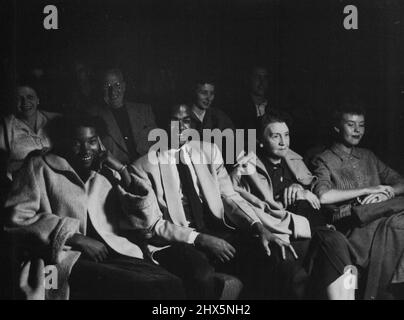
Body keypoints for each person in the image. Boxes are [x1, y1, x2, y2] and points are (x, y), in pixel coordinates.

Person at [128, 102, 310, 300]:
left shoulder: (209, 151)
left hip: (215, 229)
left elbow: (229, 196)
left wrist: (259, 227)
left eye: (186, 121)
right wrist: (200, 239)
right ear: (161, 124)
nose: (181, 127)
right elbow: (152, 226)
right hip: (176, 241)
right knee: (202, 275)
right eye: (175, 121)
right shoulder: (142, 167)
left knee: (274, 256)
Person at [3, 115, 184, 300]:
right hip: (62, 259)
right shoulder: (40, 166)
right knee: (147, 288)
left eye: (92, 141)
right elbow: (15, 219)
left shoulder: (105, 171)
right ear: (65, 142)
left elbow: (144, 220)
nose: (85, 149)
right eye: (76, 143)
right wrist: (76, 238)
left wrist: (121, 169)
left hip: (113, 253)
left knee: (171, 283)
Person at [231, 112, 356, 299]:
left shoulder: (294, 161)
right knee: (302, 274)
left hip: (310, 231)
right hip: (277, 235)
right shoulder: (248, 166)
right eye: (275, 136)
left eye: (286, 135)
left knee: (337, 243)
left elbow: (315, 194)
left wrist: (300, 189)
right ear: (260, 141)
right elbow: (234, 197)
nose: (284, 142)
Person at [312, 102, 404, 299]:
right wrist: (369, 189)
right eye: (351, 124)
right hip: (353, 223)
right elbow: (323, 196)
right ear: (337, 127)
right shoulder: (324, 159)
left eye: (361, 125)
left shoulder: (368, 156)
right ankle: (392, 288)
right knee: (400, 225)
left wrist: (386, 192)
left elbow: (401, 183)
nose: (357, 130)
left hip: (382, 214)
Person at [88, 68, 157, 164]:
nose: (113, 91)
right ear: (102, 89)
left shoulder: (144, 110)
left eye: (117, 85)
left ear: (124, 86)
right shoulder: (94, 116)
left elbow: (157, 145)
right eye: (107, 86)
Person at [0, 84, 60, 181]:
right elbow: (4, 168)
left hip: (55, 181)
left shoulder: (54, 120)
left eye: (30, 97)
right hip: (23, 184)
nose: (25, 102)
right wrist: (29, 159)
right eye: (19, 99)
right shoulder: (6, 127)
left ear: (38, 100)